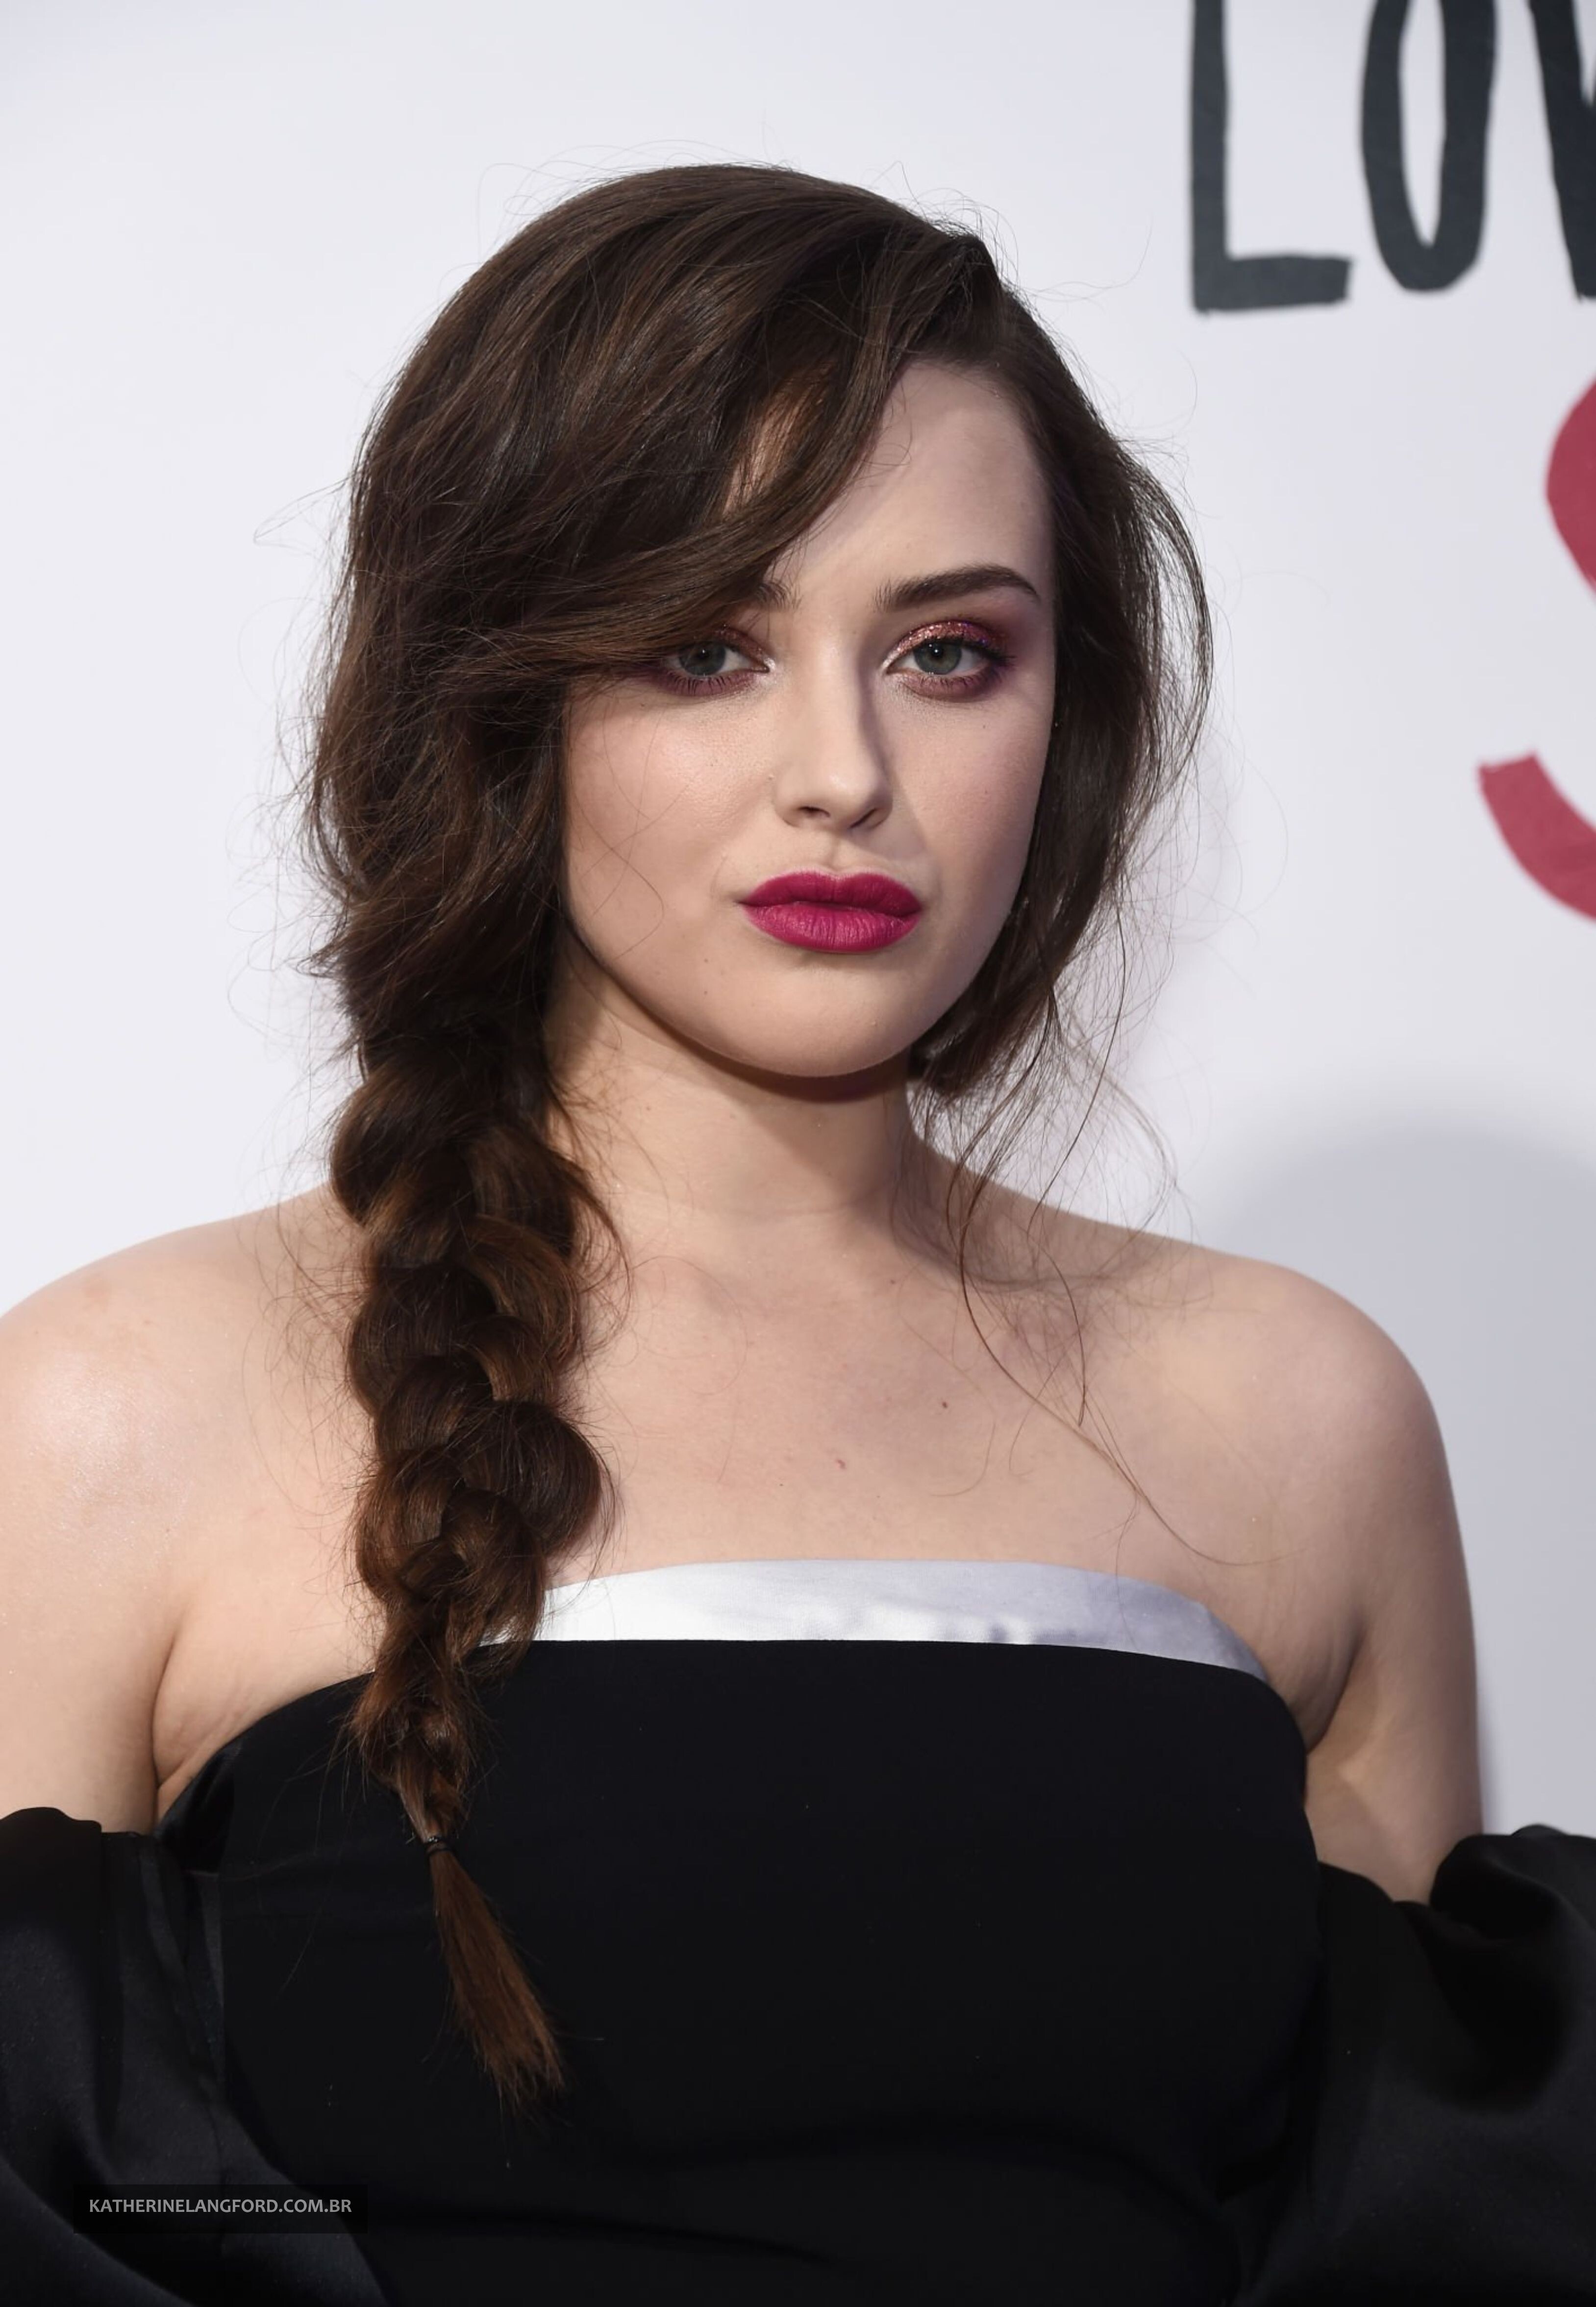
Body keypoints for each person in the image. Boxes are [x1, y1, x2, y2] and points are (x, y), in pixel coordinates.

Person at [0, 162, 1592, 2307]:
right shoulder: (115, 1414)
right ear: (499, 699)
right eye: (707, 648)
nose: (843, 770)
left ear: (1066, 715)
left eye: (949, 652)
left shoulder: (1299, 1420)